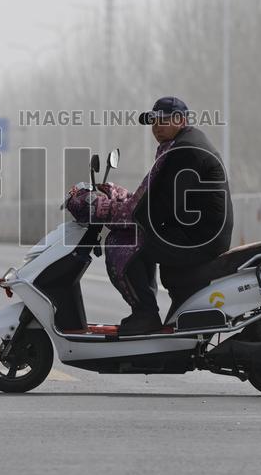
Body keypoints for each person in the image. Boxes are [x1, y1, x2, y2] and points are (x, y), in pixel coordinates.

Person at [68, 96, 233, 335]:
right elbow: (154, 200)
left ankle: (145, 314)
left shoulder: (185, 151)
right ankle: (151, 314)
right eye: (153, 121)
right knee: (139, 236)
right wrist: (118, 197)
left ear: (181, 120)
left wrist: (103, 209)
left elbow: (152, 211)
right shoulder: (181, 145)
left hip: (198, 239)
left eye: (163, 120)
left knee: (122, 242)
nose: (156, 127)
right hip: (194, 233)